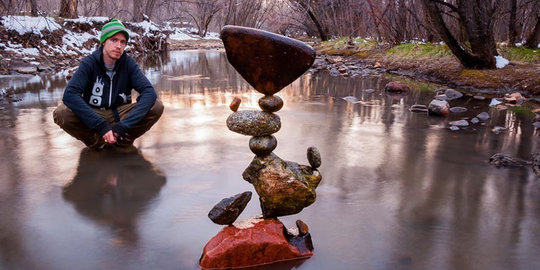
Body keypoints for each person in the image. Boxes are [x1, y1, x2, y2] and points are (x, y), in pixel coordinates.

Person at [53, 19, 163, 150]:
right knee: (61, 113)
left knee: (156, 106)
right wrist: (100, 125)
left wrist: (124, 126)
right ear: (104, 42)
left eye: (123, 42)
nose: (119, 46)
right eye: (114, 40)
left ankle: (123, 141)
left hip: (121, 114)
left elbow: (149, 92)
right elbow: (70, 95)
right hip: (95, 113)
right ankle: (96, 143)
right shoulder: (89, 63)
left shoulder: (128, 64)